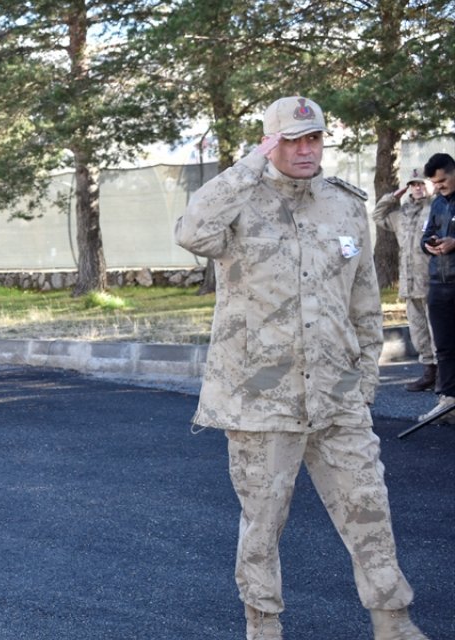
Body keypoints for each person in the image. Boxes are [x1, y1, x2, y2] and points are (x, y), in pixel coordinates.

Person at [174, 96, 430, 640]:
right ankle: (263, 627)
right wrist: (250, 164)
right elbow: (191, 230)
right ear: (270, 143)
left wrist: (364, 386)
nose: (306, 149)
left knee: (369, 514)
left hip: (338, 395)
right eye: (291, 140)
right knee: (263, 528)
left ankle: (394, 622)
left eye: (313, 138)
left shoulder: (343, 206)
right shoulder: (240, 201)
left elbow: (364, 302)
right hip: (260, 398)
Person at [373, 169, 436, 391]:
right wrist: (394, 195)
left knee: (439, 331)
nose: (417, 188)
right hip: (410, 286)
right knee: (419, 333)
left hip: (434, 283)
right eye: (413, 184)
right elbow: (378, 215)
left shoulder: (437, 209)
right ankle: (429, 372)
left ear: (431, 185)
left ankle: (447, 375)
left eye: (422, 184)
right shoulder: (402, 214)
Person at [418, 152, 455, 425]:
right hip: (439, 283)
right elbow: (424, 235)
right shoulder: (436, 204)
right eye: (435, 183)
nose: (439, 187)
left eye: (443, 181)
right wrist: (428, 244)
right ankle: (448, 402)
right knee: (443, 346)